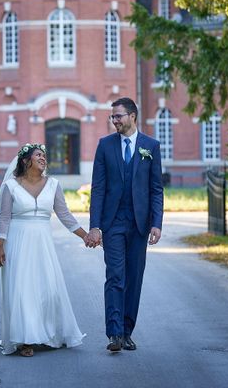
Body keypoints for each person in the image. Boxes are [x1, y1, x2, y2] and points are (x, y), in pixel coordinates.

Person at [0, 143, 88, 357]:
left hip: (43, 244)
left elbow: (65, 215)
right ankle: (25, 340)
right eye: (38, 155)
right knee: (22, 290)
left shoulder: (53, 184)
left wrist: (86, 235)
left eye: (44, 155)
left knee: (47, 288)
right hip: (18, 241)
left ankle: (48, 333)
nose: (43, 158)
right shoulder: (11, 186)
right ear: (26, 161)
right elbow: (4, 218)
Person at [85, 97, 164, 352]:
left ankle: (127, 331)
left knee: (134, 278)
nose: (114, 120)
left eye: (118, 116)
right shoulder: (105, 145)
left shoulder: (151, 146)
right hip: (113, 223)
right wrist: (95, 225)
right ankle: (114, 334)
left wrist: (156, 223)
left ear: (132, 116)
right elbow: (98, 188)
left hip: (140, 225)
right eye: (112, 117)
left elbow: (156, 189)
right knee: (115, 276)